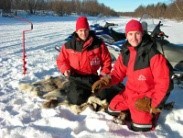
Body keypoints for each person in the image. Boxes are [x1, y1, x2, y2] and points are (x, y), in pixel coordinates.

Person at [92, 19, 174, 132]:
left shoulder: (153, 55)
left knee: (140, 127)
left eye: (137, 34)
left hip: (145, 97)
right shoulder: (126, 52)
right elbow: (117, 73)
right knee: (111, 109)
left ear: (142, 34)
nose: (134, 38)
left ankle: (151, 115)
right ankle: (130, 112)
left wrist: (154, 104)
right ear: (126, 35)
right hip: (129, 92)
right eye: (130, 34)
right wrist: (105, 81)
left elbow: (163, 82)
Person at [56, 16, 112, 105]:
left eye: (86, 30)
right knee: (76, 100)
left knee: (104, 96)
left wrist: (103, 75)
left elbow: (107, 61)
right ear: (77, 31)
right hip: (76, 78)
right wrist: (65, 69)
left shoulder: (99, 43)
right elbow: (61, 60)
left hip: (92, 77)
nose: (83, 33)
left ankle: (91, 91)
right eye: (80, 30)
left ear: (89, 30)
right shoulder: (68, 45)